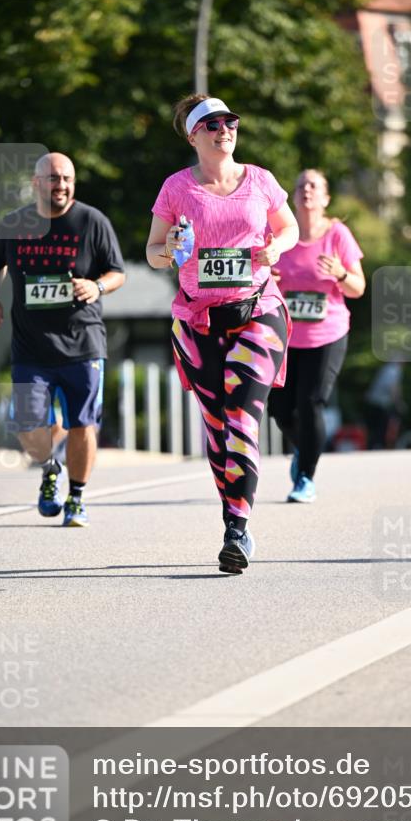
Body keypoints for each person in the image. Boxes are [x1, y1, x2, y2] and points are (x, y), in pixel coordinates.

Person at [146, 94, 299, 574]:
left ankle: (238, 527)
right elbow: (153, 251)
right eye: (212, 125)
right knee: (217, 426)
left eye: (230, 121)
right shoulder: (176, 188)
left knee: (242, 414)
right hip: (198, 320)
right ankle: (232, 516)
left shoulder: (261, 180)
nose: (224, 130)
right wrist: (169, 249)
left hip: (258, 309)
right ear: (193, 136)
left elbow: (289, 228)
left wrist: (277, 249)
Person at [0, 152, 125, 526]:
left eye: (67, 179)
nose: (61, 185)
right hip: (31, 347)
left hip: (83, 343)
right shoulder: (14, 223)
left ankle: (76, 498)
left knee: (83, 424)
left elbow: (117, 272)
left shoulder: (92, 222)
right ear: (36, 183)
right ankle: (50, 468)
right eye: (53, 178)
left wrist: (96, 286)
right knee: (28, 428)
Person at [268, 169, 365, 502]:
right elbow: (258, 276)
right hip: (285, 335)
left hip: (328, 335)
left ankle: (305, 478)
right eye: (301, 185)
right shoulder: (281, 235)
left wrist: (340, 273)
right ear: (293, 197)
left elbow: (358, 288)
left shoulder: (337, 234)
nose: (306, 190)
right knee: (280, 409)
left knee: (311, 402)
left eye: (314, 185)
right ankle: (305, 448)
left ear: (325, 198)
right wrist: (268, 278)